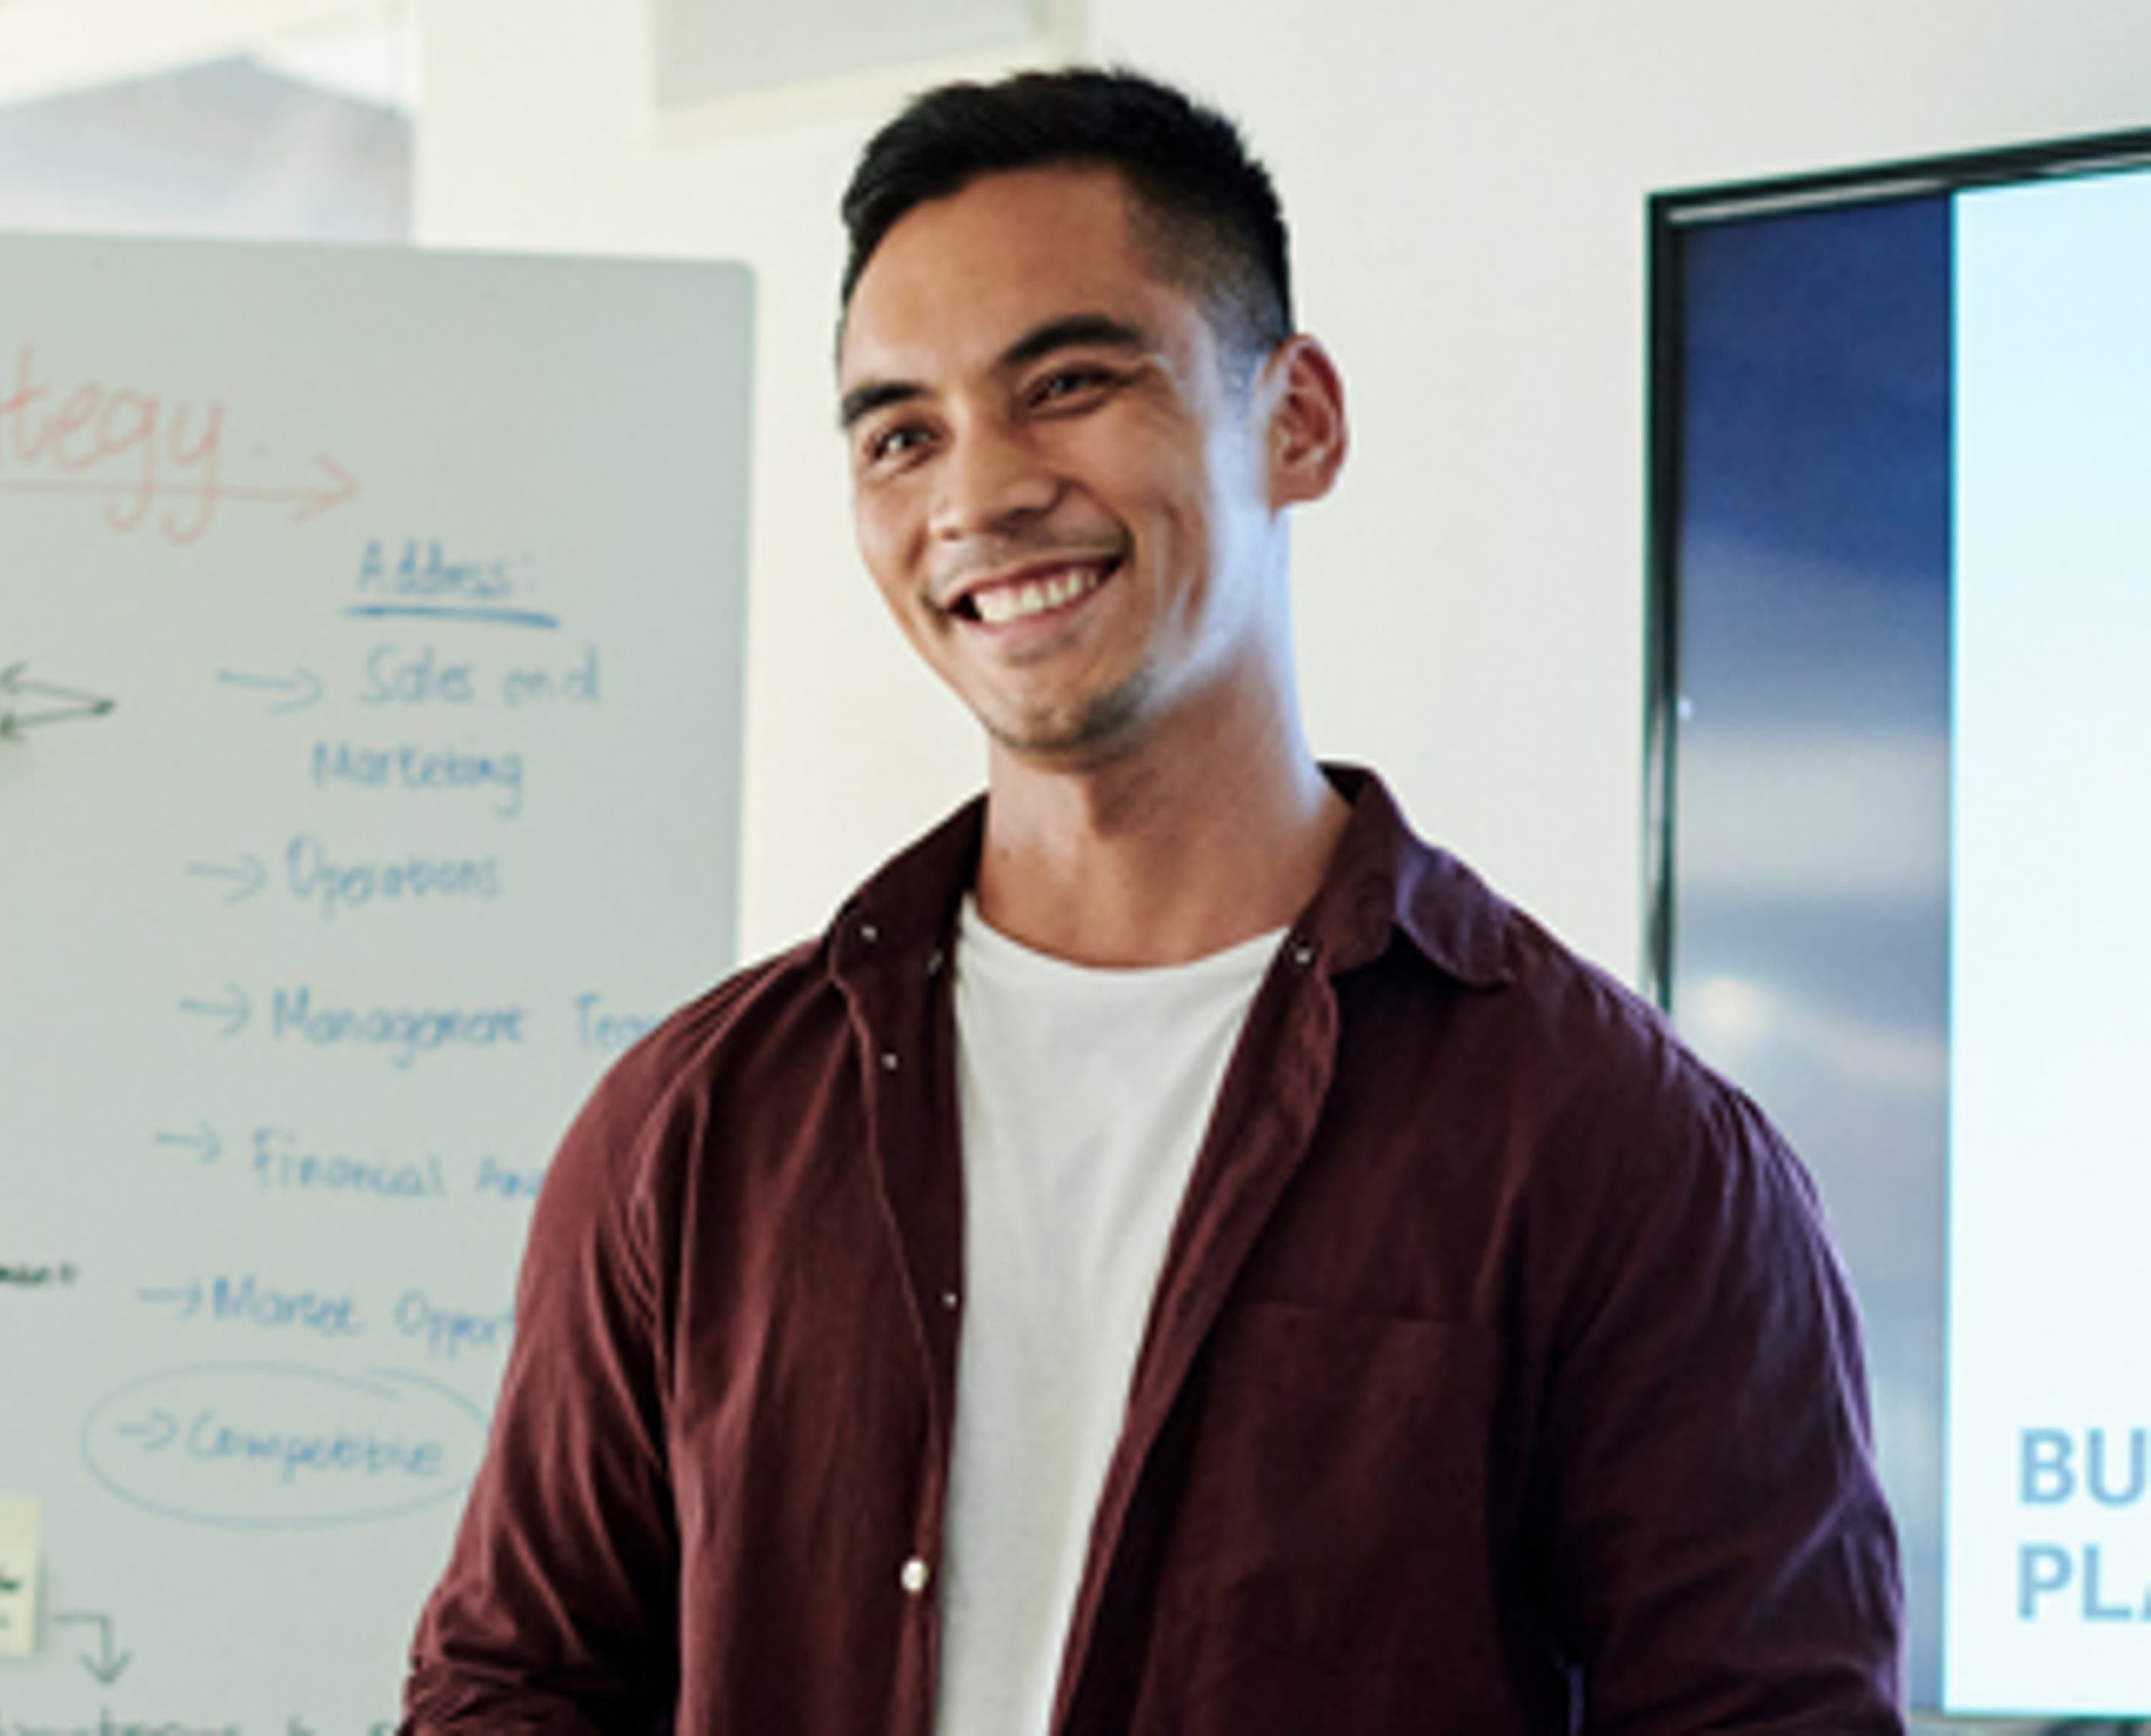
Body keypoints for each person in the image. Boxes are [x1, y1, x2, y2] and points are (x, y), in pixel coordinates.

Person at [403, 67, 1902, 1734]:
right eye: (903, 433)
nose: (975, 495)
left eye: (1068, 384)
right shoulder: (693, 1133)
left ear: (1298, 421)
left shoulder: (1619, 1151)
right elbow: (512, 1688)